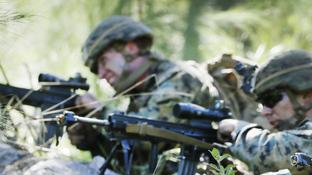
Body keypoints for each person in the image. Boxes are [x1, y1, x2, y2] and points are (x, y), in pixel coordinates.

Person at [69, 15, 218, 157]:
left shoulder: (181, 78)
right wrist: (94, 142)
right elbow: (139, 164)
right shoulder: (141, 97)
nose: (101, 74)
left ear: (131, 48)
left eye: (103, 61)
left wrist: (99, 111)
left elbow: (155, 135)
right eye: (96, 70)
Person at [214, 49, 312, 175]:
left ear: (306, 96)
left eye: (271, 99)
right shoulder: (311, 132)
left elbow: (272, 155)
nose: (264, 112)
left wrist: (236, 128)